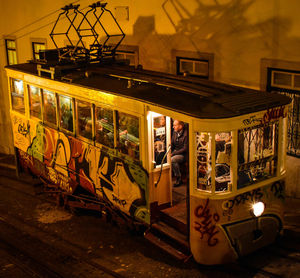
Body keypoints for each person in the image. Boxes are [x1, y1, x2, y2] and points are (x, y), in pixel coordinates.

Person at [171, 120, 188, 187]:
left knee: (172, 160)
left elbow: (185, 148)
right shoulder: (175, 132)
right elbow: (172, 143)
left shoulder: (186, 134)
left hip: (183, 154)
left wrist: (174, 153)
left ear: (180, 126)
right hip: (175, 152)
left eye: (175, 125)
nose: (173, 127)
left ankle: (178, 178)